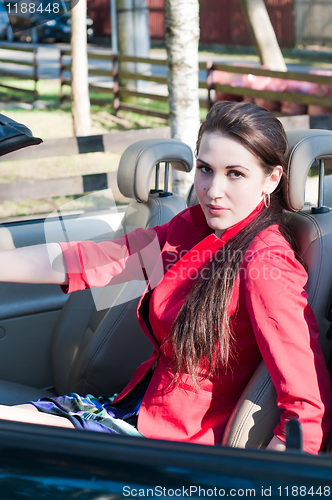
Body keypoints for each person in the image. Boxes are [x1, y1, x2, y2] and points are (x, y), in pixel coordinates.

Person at [0, 101, 330, 454]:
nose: (213, 190)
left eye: (235, 173)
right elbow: (90, 260)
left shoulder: (268, 261)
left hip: (173, 447)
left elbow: (307, 407)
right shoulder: (193, 228)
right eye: (205, 169)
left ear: (272, 178)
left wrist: (265, 482)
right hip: (134, 410)